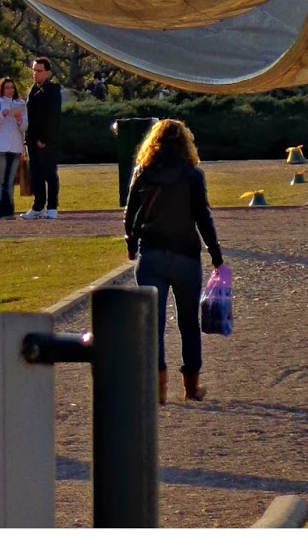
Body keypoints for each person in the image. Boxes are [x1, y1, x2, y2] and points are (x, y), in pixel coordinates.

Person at [124, 118, 224, 405]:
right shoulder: (193, 175)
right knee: (188, 324)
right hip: (185, 255)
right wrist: (215, 254)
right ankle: (191, 387)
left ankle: (158, 388)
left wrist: (131, 244)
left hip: (152, 254)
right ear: (185, 144)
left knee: (152, 324)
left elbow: (130, 214)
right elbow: (203, 217)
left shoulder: (143, 172)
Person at [22, 56, 63, 220]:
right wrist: (28, 139)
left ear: (47, 73)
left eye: (39, 71)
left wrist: (44, 139)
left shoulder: (52, 90)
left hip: (46, 141)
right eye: (34, 70)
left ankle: (52, 207)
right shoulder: (32, 90)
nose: (35, 74)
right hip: (32, 141)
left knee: (49, 173)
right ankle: (38, 206)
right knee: (36, 174)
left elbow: (53, 117)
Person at [0, 77, 27, 220]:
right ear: (2, 89)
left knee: (10, 181)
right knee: (0, 180)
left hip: (15, 147)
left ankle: (9, 211)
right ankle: (0, 211)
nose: (10, 90)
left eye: (12, 88)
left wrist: (19, 119)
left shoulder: (20, 103)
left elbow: (25, 127)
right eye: (7, 88)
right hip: (0, 147)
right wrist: (2, 115)